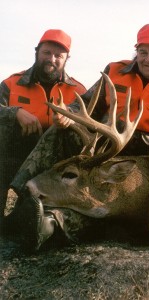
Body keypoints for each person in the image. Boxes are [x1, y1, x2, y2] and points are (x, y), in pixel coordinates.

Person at [6, 24, 149, 251]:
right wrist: (68, 116)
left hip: (147, 162)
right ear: (136, 51)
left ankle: (51, 223)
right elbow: (86, 103)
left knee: (111, 206)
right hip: (103, 148)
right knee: (60, 130)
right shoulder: (114, 71)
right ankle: (24, 197)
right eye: (143, 52)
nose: (148, 59)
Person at [0, 29, 87, 226]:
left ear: (66, 59)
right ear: (37, 52)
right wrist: (15, 112)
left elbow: (90, 121)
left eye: (58, 55)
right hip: (16, 153)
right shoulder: (12, 83)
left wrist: (71, 119)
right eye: (46, 53)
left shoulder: (78, 91)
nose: (52, 59)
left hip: (56, 160)